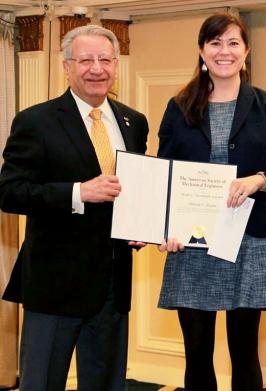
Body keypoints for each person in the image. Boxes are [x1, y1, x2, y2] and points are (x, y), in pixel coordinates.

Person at [0, 25, 148, 391]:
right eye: (85, 60)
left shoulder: (133, 121)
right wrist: (79, 193)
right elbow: (11, 192)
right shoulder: (36, 121)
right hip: (54, 286)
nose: (96, 68)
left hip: (113, 287)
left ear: (116, 65)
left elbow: (136, 191)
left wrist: (141, 226)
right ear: (67, 67)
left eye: (104, 59)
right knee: (42, 383)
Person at [157, 12, 266, 391]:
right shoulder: (179, 106)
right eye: (215, 43)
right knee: (197, 353)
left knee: (245, 351)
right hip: (191, 245)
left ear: (246, 51)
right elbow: (162, 175)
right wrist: (164, 228)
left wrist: (260, 180)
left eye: (233, 43)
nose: (224, 51)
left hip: (248, 240)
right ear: (202, 51)